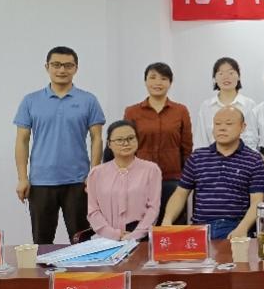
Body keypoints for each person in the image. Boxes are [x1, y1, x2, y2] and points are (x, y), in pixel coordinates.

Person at [14, 46, 105, 244]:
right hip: (41, 182)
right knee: (42, 242)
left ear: (76, 68)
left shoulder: (88, 100)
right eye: (56, 65)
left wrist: (94, 174)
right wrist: (22, 178)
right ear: (47, 67)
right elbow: (22, 140)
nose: (62, 70)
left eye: (68, 65)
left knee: (82, 242)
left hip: (78, 182)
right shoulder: (31, 101)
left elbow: (97, 138)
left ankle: (82, 268)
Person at [162, 106, 264, 239]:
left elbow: (257, 201)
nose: (222, 128)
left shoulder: (253, 159)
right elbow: (180, 194)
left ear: (243, 127)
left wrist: (242, 228)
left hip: (234, 227)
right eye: (217, 124)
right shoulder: (197, 157)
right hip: (200, 228)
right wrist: (167, 220)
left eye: (228, 124)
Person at [124, 62, 193, 225]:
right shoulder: (132, 112)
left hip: (173, 178)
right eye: (153, 77)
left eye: (163, 78)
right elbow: (127, 146)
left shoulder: (180, 111)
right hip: (140, 179)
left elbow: (187, 148)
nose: (158, 82)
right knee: (139, 228)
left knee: (172, 227)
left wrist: (186, 179)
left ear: (170, 82)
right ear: (145, 81)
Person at [86, 120, 161, 241]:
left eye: (130, 138)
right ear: (109, 144)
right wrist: (113, 234)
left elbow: (153, 209)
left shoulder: (151, 170)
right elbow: (93, 211)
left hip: (141, 237)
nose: (126, 143)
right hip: (105, 238)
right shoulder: (96, 173)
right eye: (119, 140)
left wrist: (134, 235)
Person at [196, 57, 259, 150]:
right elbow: (201, 141)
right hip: (211, 158)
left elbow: (253, 140)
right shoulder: (206, 106)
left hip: (243, 157)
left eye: (231, 73)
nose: (226, 77)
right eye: (221, 73)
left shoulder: (249, 105)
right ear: (214, 79)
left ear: (239, 77)